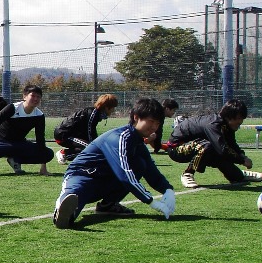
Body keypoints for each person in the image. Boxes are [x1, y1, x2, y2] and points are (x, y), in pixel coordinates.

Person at [52, 98, 176, 228]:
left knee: (140, 164)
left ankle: (108, 205)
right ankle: (62, 213)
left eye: (157, 123)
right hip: (83, 176)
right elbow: (125, 174)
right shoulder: (120, 137)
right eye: (151, 121)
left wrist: (167, 190)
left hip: (104, 181)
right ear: (136, 117)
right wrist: (151, 201)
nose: (154, 127)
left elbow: (150, 170)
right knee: (74, 197)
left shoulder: (137, 141)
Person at [167, 99, 262, 188]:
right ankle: (187, 174)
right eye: (238, 118)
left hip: (200, 147)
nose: (241, 121)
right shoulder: (213, 125)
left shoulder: (226, 125)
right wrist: (241, 160)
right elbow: (222, 149)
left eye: (242, 118)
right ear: (229, 116)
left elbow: (231, 144)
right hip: (176, 148)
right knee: (208, 146)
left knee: (217, 154)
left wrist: (243, 156)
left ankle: (239, 175)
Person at [53, 93, 119, 164]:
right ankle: (64, 154)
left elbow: (91, 133)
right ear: (106, 107)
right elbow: (90, 132)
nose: (113, 110)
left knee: (92, 148)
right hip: (63, 135)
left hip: (70, 135)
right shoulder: (93, 114)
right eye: (113, 108)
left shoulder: (96, 113)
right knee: (91, 148)